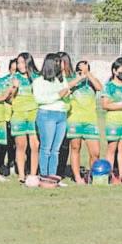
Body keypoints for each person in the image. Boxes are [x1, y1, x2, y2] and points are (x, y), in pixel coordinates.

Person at [33, 53, 85, 185]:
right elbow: (39, 99)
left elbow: (65, 95)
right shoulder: (39, 81)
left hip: (61, 114)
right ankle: (44, 176)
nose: (61, 66)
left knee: (56, 149)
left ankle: (53, 177)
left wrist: (66, 95)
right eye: (58, 62)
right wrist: (58, 95)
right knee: (46, 148)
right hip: (47, 114)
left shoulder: (61, 80)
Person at [67, 60, 103, 184]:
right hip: (74, 120)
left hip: (90, 121)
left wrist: (88, 75)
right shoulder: (72, 80)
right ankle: (77, 177)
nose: (83, 71)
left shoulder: (92, 81)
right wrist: (79, 78)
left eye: (85, 69)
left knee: (95, 152)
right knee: (75, 147)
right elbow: (66, 87)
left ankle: (93, 175)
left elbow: (99, 87)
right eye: (80, 69)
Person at [11, 53, 40, 183]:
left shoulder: (37, 77)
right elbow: (10, 98)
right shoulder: (14, 77)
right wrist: (14, 88)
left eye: (22, 62)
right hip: (19, 114)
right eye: (18, 63)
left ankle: (33, 174)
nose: (20, 65)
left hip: (34, 113)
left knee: (35, 145)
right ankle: (21, 175)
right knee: (21, 145)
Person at [56, 52, 74, 177]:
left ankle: (61, 170)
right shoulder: (54, 79)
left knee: (64, 145)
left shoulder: (72, 78)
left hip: (70, 116)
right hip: (56, 113)